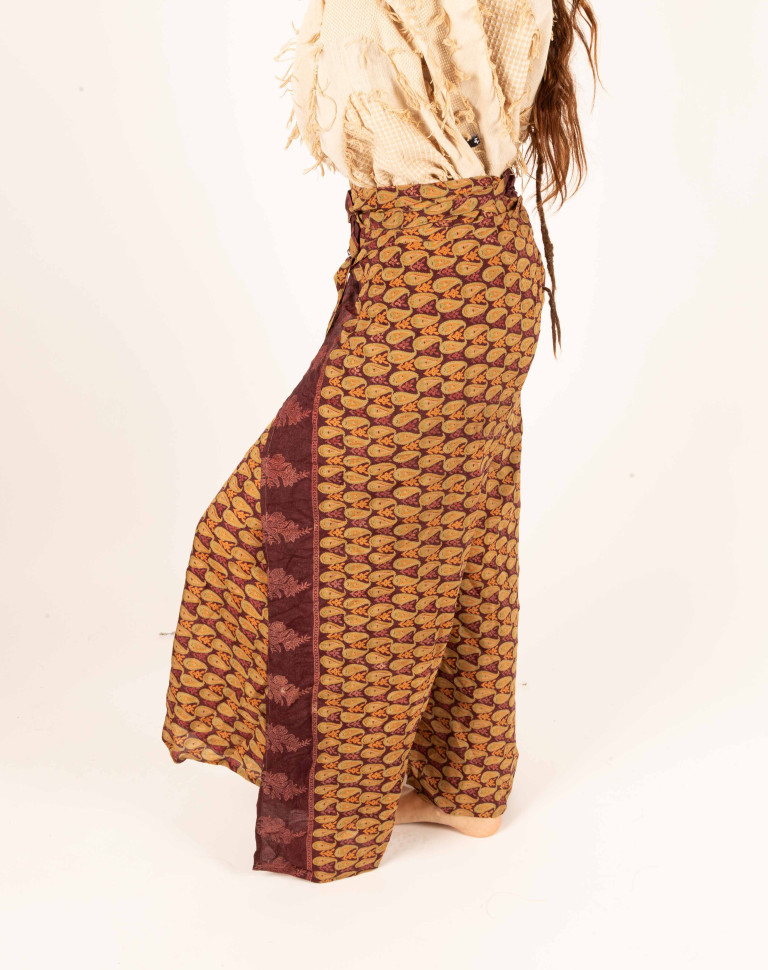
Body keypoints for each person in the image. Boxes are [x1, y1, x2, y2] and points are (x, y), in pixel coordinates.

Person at [161, 0, 601, 883]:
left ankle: (333, 828)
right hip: (463, 274)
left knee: (310, 534)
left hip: (434, 288)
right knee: (463, 538)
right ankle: (467, 786)